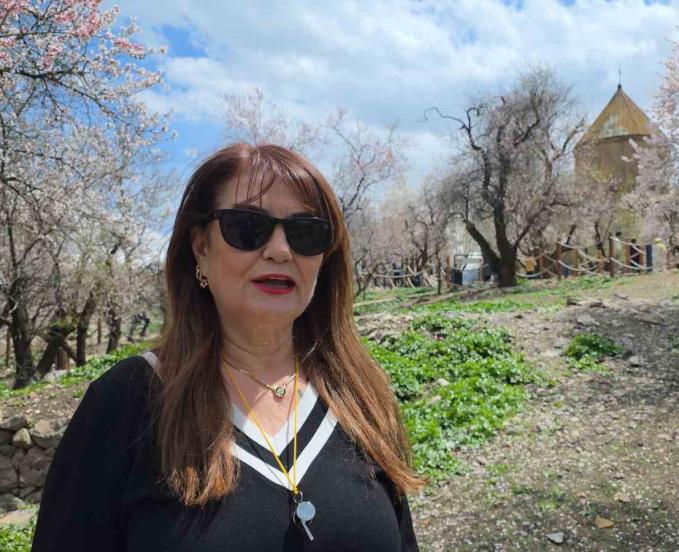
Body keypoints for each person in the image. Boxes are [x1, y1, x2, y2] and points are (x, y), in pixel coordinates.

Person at [32, 144, 422, 551]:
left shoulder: (359, 395)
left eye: (306, 232)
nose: (280, 250)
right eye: (248, 226)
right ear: (201, 246)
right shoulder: (130, 401)